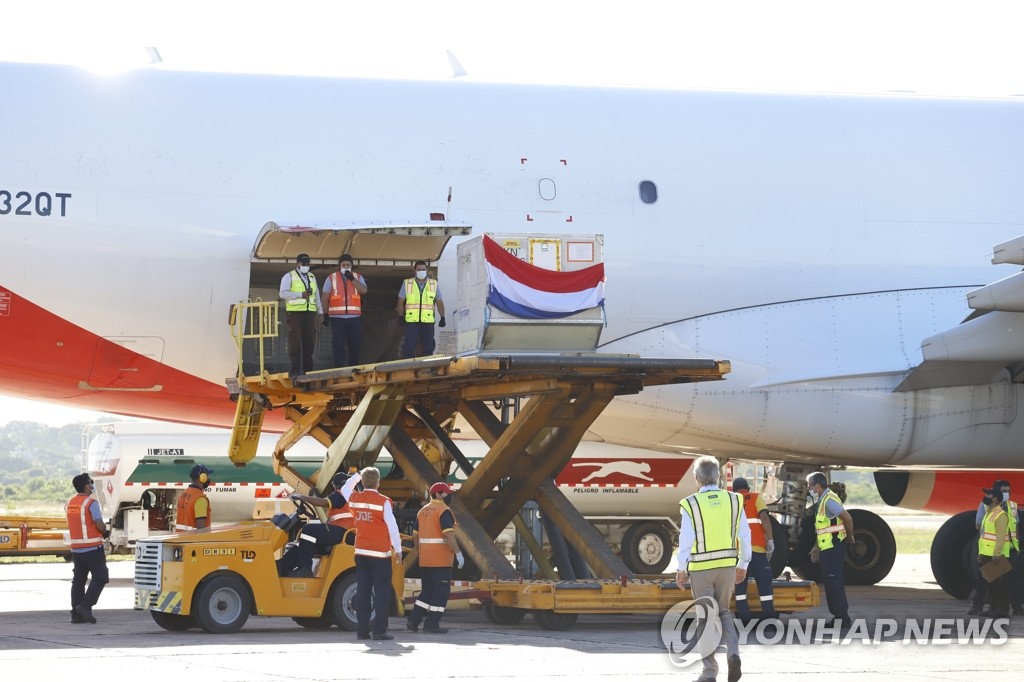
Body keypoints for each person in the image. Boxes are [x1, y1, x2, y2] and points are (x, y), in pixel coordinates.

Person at [675, 456, 748, 682]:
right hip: (727, 568)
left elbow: (686, 538)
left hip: (701, 570)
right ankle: (733, 653)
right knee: (724, 612)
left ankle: (709, 672)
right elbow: (745, 535)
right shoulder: (735, 500)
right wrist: (743, 563)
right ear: (718, 477)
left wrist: (680, 568)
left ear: (696, 478)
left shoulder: (691, 504)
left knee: (705, 618)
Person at [348, 466, 403, 640]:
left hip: (361, 552)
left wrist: (356, 476)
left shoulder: (355, 498)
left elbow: (344, 488)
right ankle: (379, 631)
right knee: (382, 592)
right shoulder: (384, 501)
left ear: (363, 482)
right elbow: (392, 527)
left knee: (363, 592)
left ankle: (362, 631)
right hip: (380, 554)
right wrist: (399, 549)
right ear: (378, 482)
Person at [406, 482, 465, 634]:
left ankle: (414, 620)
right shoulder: (443, 511)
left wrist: (423, 551)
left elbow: (415, 537)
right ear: (438, 494)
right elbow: (448, 534)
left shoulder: (422, 511)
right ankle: (431, 624)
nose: (450, 496)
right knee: (441, 593)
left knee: (427, 591)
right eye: (447, 493)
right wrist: (458, 553)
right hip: (441, 560)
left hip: (425, 560)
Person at [277, 472, 358, 577]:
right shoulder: (351, 495)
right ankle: (280, 567)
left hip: (344, 532)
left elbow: (322, 502)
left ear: (334, 485)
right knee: (302, 547)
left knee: (308, 530)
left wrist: (302, 497)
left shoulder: (341, 494)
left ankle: (305, 569)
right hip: (345, 533)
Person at [806, 471, 854, 628]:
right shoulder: (823, 499)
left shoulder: (828, 500)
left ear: (818, 486)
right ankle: (838, 617)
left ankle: (843, 618)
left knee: (834, 583)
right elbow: (823, 528)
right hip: (827, 548)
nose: (808, 488)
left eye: (810, 485)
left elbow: (847, 517)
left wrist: (850, 537)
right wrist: (816, 547)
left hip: (834, 548)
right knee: (830, 583)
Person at [731, 477, 777, 623]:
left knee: (740, 590)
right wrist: (770, 539)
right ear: (748, 489)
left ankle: (745, 619)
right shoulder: (756, 498)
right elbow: (764, 518)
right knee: (764, 587)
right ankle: (768, 619)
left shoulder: (731, 501)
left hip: (738, 554)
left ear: (733, 490)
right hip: (757, 551)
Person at [66, 473, 108, 624]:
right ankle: (84, 606)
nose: (92, 485)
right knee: (101, 576)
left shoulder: (70, 503)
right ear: (85, 485)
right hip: (92, 547)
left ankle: (76, 615)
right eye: (90, 482)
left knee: (78, 581)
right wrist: (105, 531)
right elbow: (99, 524)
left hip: (76, 549)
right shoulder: (91, 503)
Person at [321, 253, 367, 368]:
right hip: (337, 319)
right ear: (339, 266)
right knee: (338, 345)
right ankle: (339, 368)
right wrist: (325, 314)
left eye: (348, 265)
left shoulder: (358, 277)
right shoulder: (331, 277)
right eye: (343, 265)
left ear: (352, 266)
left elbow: (364, 290)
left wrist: (352, 278)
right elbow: (325, 297)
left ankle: (354, 367)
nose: (346, 267)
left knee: (354, 345)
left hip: (354, 318)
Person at [279, 252, 321, 375]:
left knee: (310, 342)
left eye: (308, 263)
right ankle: (295, 369)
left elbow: (316, 295)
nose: (306, 266)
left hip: (310, 313)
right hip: (295, 313)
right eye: (304, 263)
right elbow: (282, 294)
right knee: (295, 342)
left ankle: (308, 370)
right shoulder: (289, 276)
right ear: (298, 264)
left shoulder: (312, 277)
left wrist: (320, 311)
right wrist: (300, 294)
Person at [397, 260, 445, 358]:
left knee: (428, 348)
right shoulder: (407, 283)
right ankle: (408, 370)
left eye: (423, 269)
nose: (421, 271)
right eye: (419, 269)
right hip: (411, 322)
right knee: (409, 348)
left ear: (426, 270)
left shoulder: (433, 284)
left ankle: (427, 370)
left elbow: (439, 302)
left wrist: (442, 317)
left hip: (427, 322)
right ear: (414, 270)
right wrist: (401, 316)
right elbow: (400, 301)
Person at [975, 487, 1012, 618]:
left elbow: (1001, 536)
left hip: (996, 555)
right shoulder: (989, 513)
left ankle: (1002, 609)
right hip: (987, 554)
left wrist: (996, 554)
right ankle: (993, 609)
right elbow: (983, 535)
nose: (986, 496)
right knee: (992, 584)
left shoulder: (1000, 515)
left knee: (999, 584)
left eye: (989, 495)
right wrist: (981, 553)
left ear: (995, 498)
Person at [175, 464, 213, 531]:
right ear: (202, 477)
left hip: (180, 539)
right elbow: (201, 526)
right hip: (193, 540)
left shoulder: (183, 494)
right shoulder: (200, 498)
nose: (208, 478)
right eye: (207, 476)